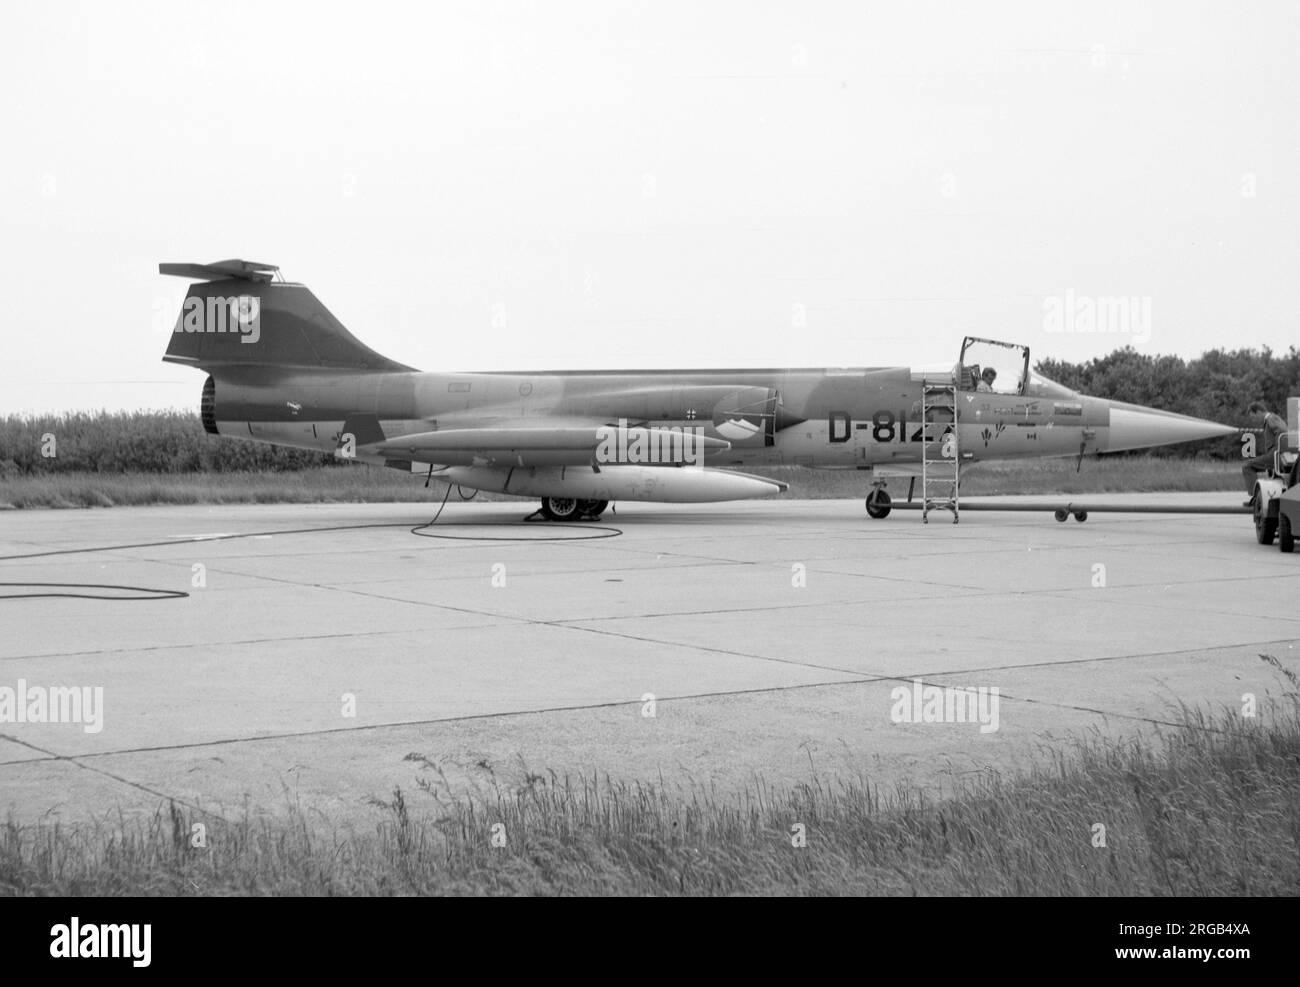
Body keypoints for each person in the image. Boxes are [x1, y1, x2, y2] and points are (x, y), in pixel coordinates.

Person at [1242, 401, 1288, 506]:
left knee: (1247, 466)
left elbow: (1283, 431)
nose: (1253, 421)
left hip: (1275, 455)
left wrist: (1277, 449)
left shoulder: (1271, 418)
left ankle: (1255, 498)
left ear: (1258, 412)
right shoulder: (1270, 420)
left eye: (1253, 417)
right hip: (1276, 455)